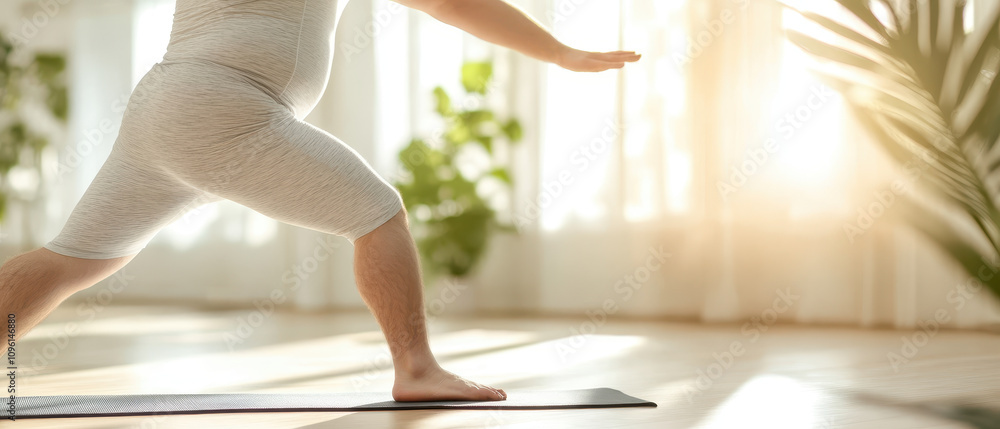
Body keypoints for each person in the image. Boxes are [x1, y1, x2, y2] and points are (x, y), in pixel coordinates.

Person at [0, 0, 640, 402]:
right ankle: (416, 369)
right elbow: (451, 3)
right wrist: (558, 50)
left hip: (164, 101)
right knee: (378, 212)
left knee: (75, 256)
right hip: (223, 107)